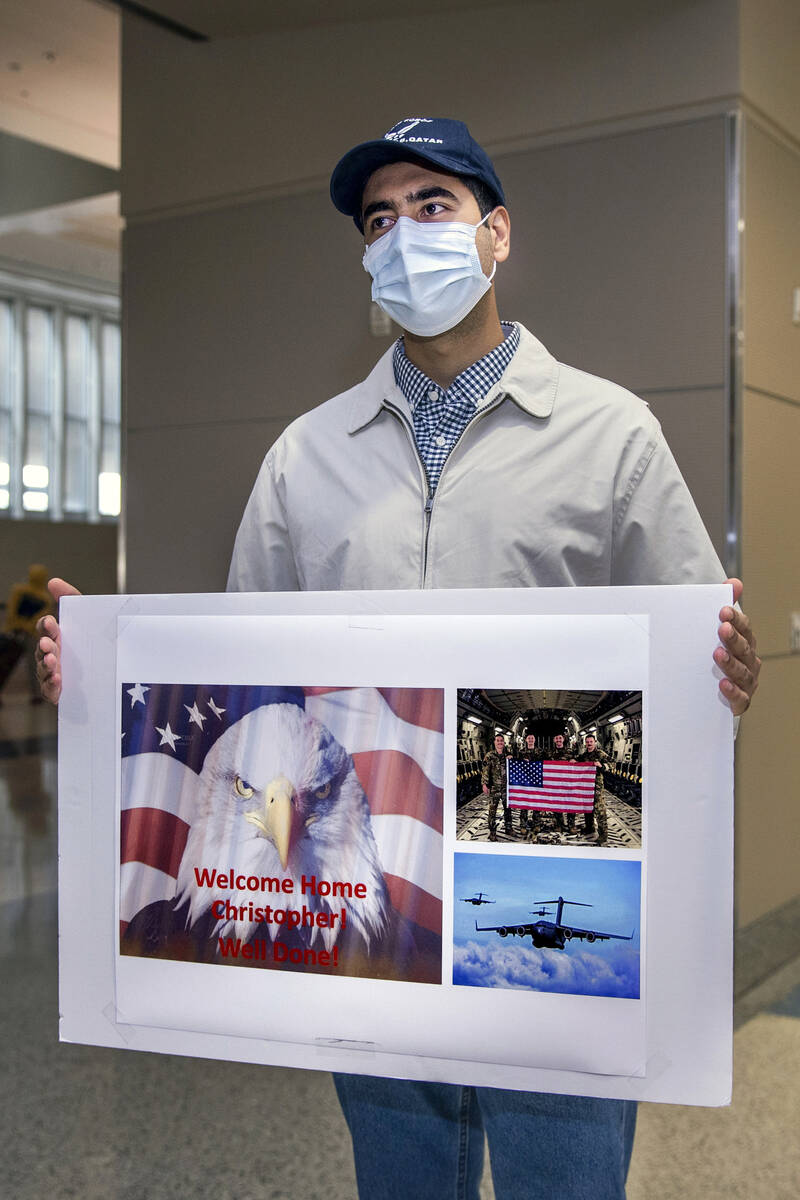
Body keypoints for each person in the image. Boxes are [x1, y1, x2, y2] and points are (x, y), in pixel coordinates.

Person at [36, 117, 761, 1199]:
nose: (401, 234)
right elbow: (243, 672)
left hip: (548, 881)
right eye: (379, 218)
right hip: (370, 908)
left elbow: (695, 664)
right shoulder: (305, 456)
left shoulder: (611, 435)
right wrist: (96, 678)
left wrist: (726, 678)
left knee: (562, 1179)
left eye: (431, 206)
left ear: (496, 233)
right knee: (401, 1181)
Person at [577, 732, 610, 844]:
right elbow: (576, 764)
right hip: (586, 787)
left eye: (591, 742)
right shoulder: (583, 756)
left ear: (595, 742)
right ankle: (589, 827)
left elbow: (612, 763)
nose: (589, 744)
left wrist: (602, 766)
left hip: (596, 787)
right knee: (587, 809)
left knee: (599, 810)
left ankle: (603, 835)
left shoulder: (600, 754)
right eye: (587, 742)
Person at [481, 731, 512, 841]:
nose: (500, 742)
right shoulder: (489, 756)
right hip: (494, 788)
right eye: (497, 740)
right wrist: (484, 784)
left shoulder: (508, 755)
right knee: (492, 811)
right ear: (494, 742)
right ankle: (492, 832)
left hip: (506, 788)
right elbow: (485, 771)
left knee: (508, 809)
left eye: (501, 741)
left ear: (504, 743)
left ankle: (508, 828)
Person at [516, 731, 543, 838]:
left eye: (532, 738)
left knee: (536, 803)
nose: (531, 740)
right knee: (524, 804)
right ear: (526, 740)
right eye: (529, 738)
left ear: (534, 740)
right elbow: (516, 764)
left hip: (536, 781)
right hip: (524, 782)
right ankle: (523, 825)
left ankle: (536, 824)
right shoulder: (521, 752)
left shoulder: (540, 751)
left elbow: (546, 763)